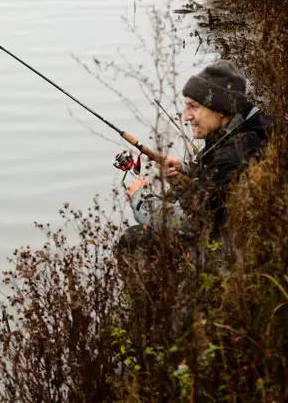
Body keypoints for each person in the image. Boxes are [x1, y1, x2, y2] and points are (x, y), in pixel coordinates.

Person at [116, 60, 274, 261]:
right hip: (248, 242)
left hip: (237, 260)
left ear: (220, 109)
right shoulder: (247, 132)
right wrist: (186, 172)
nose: (186, 117)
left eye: (193, 107)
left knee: (135, 239)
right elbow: (218, 188)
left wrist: (140, 197)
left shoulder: (234, 155)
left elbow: (182, 224)